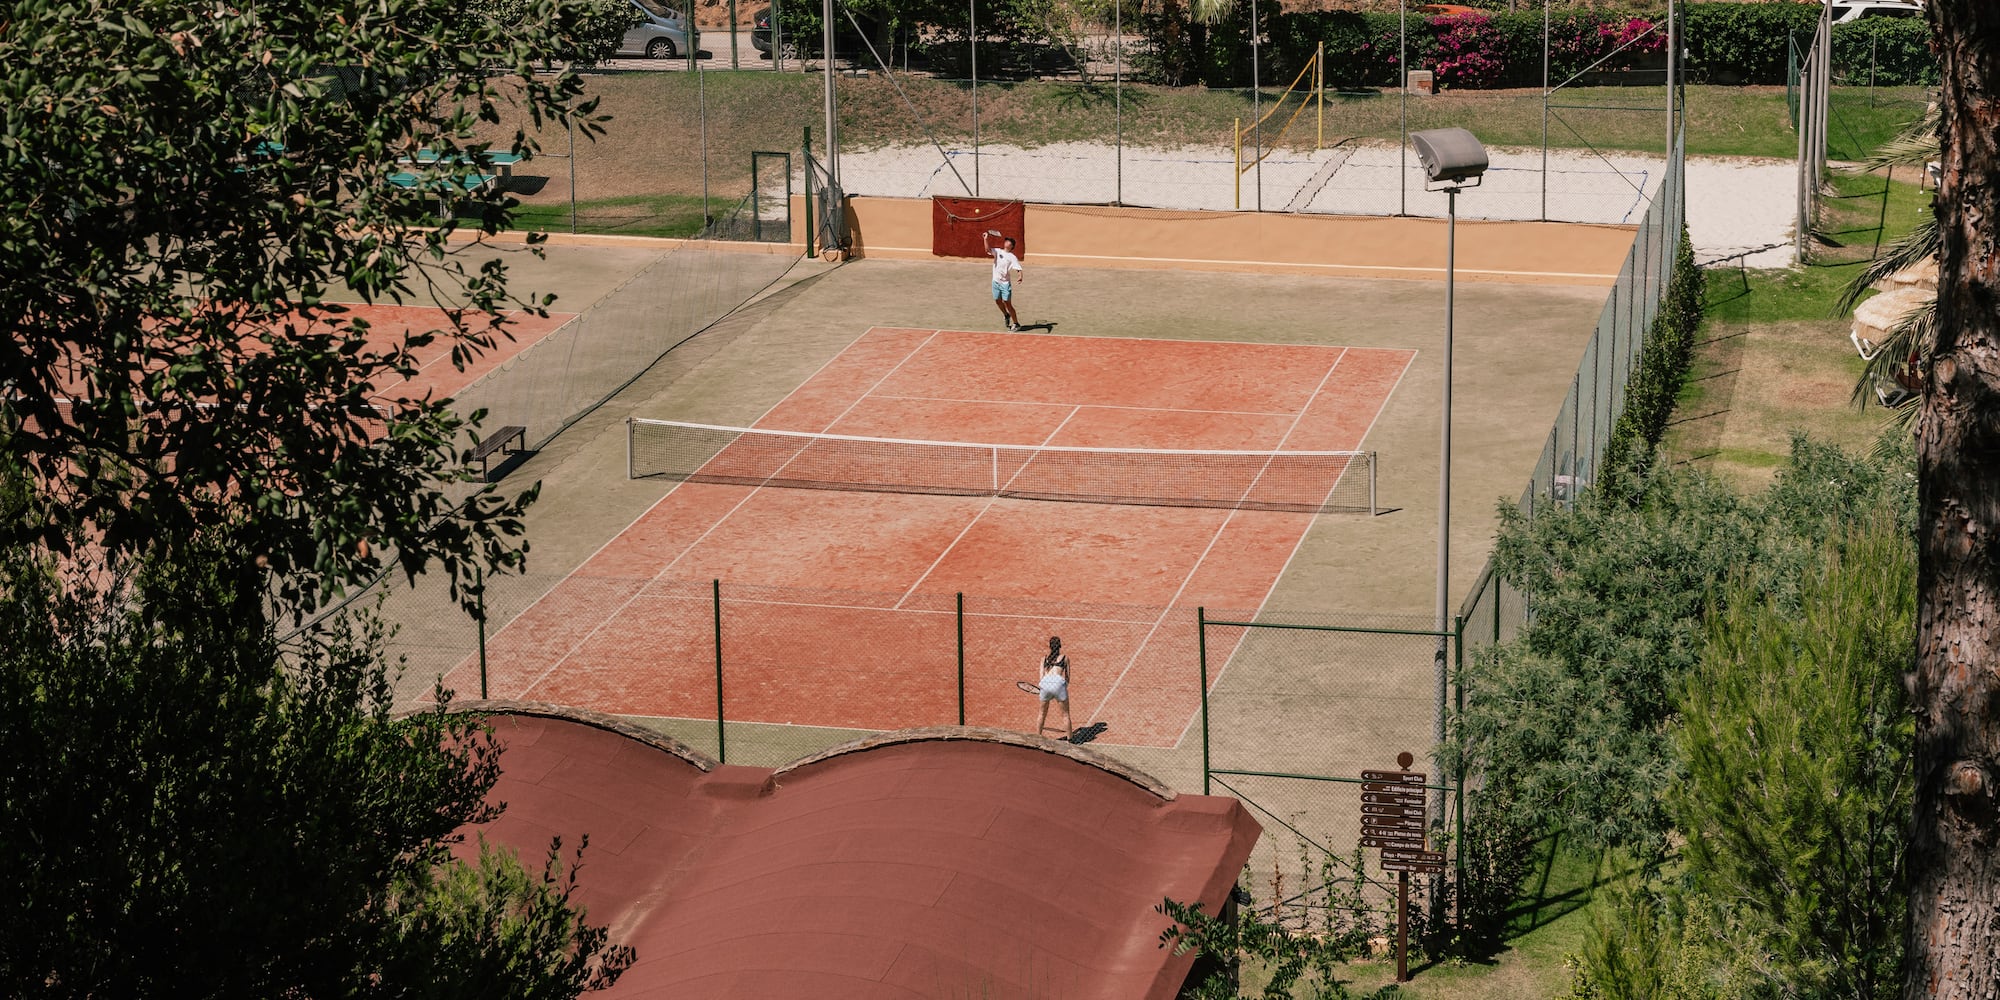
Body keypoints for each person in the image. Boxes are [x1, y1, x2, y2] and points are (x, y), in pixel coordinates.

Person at [983, 229, 1024, 332]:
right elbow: (987, 250)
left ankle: (1016, 323)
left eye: (1009, 241)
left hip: (1005, 283)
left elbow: (1018, 268)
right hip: (995, 281)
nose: (1006, 242)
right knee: (997, 300)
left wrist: (1020, 276)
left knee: (1007, 303)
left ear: (1012, 246)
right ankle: (1006, 315)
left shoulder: (1012, 257)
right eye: (1006, 240)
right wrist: (986, 239)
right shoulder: (998, 251)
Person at [1034, 635, 1072, 742]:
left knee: (1042, 713)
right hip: (1059, 684)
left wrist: (1044, 688)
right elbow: (1068, 677)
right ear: (1060, 646)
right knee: (1065, 714)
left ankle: (1037, 738)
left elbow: (1041, 677)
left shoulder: (1044, 658)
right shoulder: (1065, 658)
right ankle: (1070, 741)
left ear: (1050, 646)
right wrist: (1062, 689)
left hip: (1045, 684)